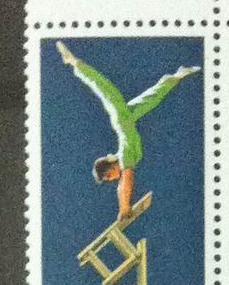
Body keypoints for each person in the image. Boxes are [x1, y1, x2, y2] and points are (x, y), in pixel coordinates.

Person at [56, 40, 200, 222]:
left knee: (105, 89)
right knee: (152, 98)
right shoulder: (124, 155)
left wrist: (124, 208)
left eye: (109, 177)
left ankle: (75, 63)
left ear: (112, 168)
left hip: (121, 120)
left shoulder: (125, 157)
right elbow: (124, 179)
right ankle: (177, 75)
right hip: (128, 119)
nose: (113, 179)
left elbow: (127, 181)